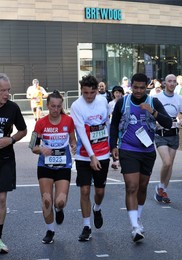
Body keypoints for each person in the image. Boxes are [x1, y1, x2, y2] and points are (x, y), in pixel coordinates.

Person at [110, 73, 172, 242]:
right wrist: (113, 146)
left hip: (147, 151)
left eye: (142, 88)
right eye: (135, 87)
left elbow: (168, 123)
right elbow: (114, 124)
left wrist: (152, 112)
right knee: (132, 186)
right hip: (127, 149)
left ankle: (137, 217)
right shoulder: (123, 102)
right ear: (131, 86)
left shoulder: (153, 102)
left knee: (142, 187)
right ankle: (134, 227)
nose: (138, 91)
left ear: (147, 87)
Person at [31, 90, 76, 244]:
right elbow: (32, 146)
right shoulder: (40, 123)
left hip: (63, 165)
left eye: (58, 106)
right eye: (52, 106)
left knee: (59, 201)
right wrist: (41, 149)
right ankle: (50, 230)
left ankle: (59, 210)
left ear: (61, 106)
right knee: (47, 200)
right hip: (45, 165)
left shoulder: (68, 121)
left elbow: (72, 140)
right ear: (47, 106)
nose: (55, 110)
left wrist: (74, 146)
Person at [70, 74, 111, 242]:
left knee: (99, 191)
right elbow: (80, 131)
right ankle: (86, 226)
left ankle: (97, 208)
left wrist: (111, 148)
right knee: (85, 190)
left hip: (103, 153)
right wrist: (92, 156)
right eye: (85, 93)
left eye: (92, 93)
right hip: (84, 155)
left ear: (97, 91)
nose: (88, 96)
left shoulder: (103, 101)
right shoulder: (76, 106)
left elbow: (107, 124)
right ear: (81, 91)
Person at [0, 73, 27, 253]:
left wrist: (11, 140)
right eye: (2, 90)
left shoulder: (13, 108)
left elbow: (23, 130)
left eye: (8, 90)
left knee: (1, 198)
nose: (6, 93)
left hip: (5, 159)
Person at [154, 74, 182, 204]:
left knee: (170, 165)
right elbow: (150, 115)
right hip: (160, 134)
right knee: (167, 162)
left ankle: (163, 189)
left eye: (174, 81)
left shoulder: (179, 99)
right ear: (164, 83)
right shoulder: (157, 98)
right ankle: (160, 187)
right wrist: (156, 122)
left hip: (174, 134)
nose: (172, 84)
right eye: (170, 81)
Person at [108, 86, 125, 169]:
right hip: (113, 124)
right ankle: (115, 160)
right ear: (113, 94)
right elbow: (108, 115)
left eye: (119, 92)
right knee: (113, 141)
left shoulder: (124, 102)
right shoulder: (111, 104)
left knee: (121, 142)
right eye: (116, 92)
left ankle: (121, 159)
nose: (118, 94)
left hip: (122, 125)